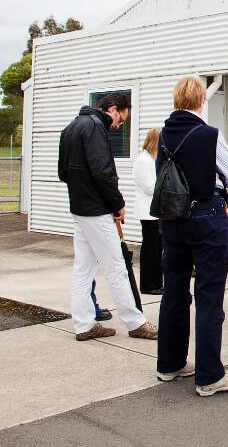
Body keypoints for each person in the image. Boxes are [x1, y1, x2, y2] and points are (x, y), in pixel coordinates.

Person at [156, 76, 228, 397]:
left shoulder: (164, 134)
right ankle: (209, 376)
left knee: (174, 290)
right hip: (206, 215)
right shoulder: (209, 134)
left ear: (177, 99)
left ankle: (170, 364)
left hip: (171, 217)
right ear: (201, 102)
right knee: (209, 294)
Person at [57, 93, 158, 342]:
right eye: (122, 119)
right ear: (113, 109)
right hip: (97, 209)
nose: (119, 125)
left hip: (79, 208)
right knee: (116, 267)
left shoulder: (71, 127)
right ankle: (135, 323)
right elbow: (102, 171)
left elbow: (62, 171)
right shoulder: (94, 128)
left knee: (84, 269)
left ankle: (84, 325)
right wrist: (117, 203)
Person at [133, 127, 163, 295]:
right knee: (150, 249)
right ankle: (148, 284)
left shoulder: (155, 159)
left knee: (158, 249)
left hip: (156, 211)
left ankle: (157, 282)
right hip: (147, 212)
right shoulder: (144, 160)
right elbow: (149, 187)